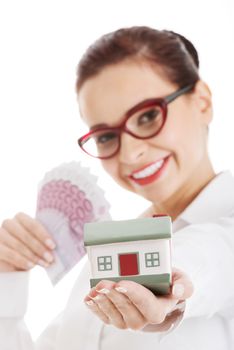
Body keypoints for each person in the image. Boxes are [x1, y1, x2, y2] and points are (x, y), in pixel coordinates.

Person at [0, 26, 234, 349]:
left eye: (148, 116)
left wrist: (174, 290)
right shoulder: (97, 271)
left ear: (203, 102)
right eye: (107, 136)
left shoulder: (221, 237)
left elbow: (214, 258)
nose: (129, 154)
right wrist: (6, 277)